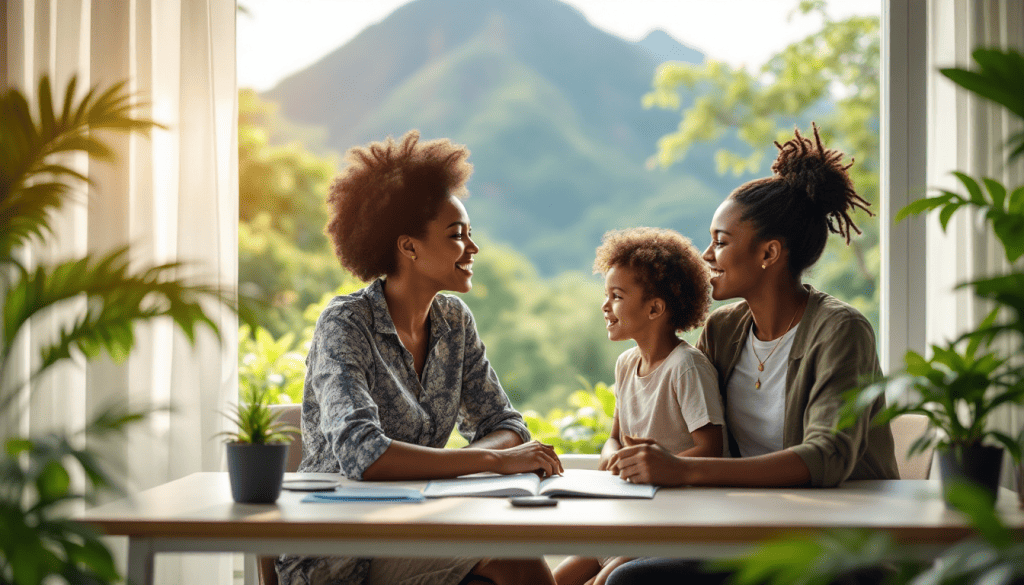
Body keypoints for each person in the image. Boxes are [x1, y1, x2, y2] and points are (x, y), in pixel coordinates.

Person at [603, 125, 899, 585]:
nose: (706, 254)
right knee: (622, 571)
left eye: (720, 241)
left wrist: (683, 470)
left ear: (769, 253)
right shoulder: (724, 330)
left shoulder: (840, 331)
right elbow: (693, 429)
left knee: (632, 580)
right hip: (750, 531)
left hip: (837, 545)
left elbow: (827, 456)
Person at [276, 130, 563, 585]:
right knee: (519, 566)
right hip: (340, 550)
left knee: (516, 558)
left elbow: (507, 427)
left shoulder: (454, 320)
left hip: (419, 525)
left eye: (470, 234)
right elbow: (363, 454)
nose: (472, 249)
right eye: (457, 236)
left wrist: (496, 454)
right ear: (408, 247)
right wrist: (493, 462)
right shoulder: (345, 324)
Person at [553, 227, 725, 585]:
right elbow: (614, 438)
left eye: (616, 296)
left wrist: (664, 466)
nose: (605, 305)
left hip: (672, 521)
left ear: (654, 308)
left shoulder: (686, 367)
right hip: (631, 511)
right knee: (556, 578)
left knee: (602, 582)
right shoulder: (626, 364)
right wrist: (612, 455)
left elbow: (712, 449)